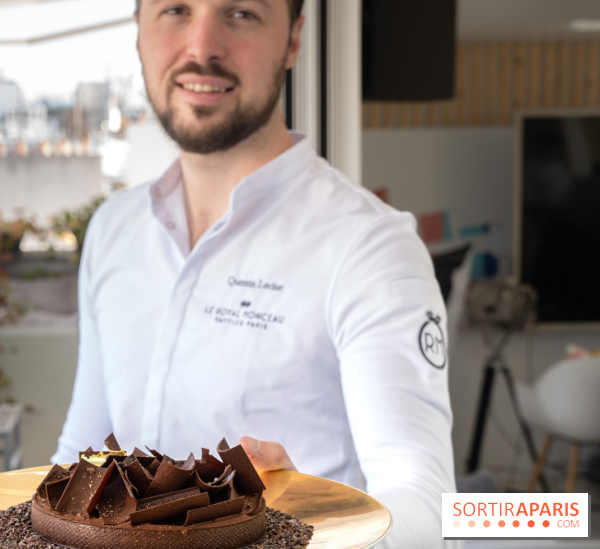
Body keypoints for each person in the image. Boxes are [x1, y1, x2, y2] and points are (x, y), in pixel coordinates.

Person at [52, 0, 459, 546]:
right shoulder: (112, 230)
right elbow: (80, 454)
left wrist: (297, 531)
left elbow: (428, 507)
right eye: (175, 10)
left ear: (293, 40)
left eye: (241, 13)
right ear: (139, 34)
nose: (201, 48)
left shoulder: (370, 245)